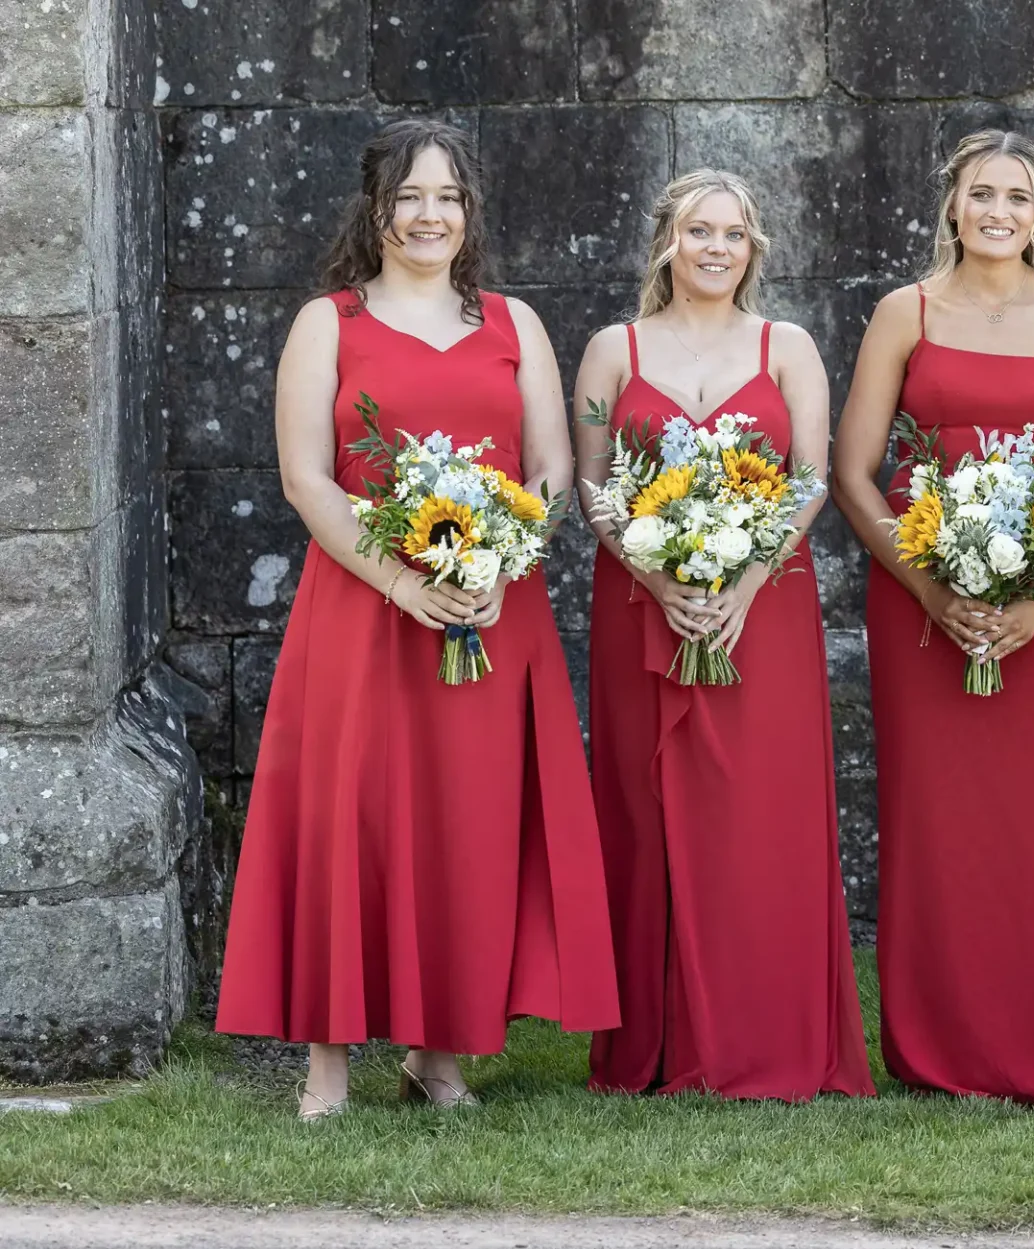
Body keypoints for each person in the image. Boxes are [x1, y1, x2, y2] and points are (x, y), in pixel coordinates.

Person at [215, 119, 620, 1119]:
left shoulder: (514, 323)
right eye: (410, 197)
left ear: (468, 213)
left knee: (468, 828)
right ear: (377, 210)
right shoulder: (329, 322)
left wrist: (501, 563)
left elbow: (552, 470)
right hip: (362, 613)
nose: (429, 214)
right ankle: (328, 1066)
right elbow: (307, 476)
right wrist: (401, 581)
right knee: (348, 819)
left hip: (492, 613)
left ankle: (439, 1057)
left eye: (447, 196)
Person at [829, 132, 1034, 1101]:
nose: (999, 211)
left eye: (1018, 196)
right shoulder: (903, 313)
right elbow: (852, 470)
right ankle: (939, 1050)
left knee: (1031, 823)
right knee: (935, 820)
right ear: (952, 208)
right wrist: (931, 586)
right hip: (921, 600)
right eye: (981, 194)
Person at [576, 170, 873, 1101]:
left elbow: (811, 479)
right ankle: (656, 1046)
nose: (715, 248)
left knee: (759, 813)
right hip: (639, 606)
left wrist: (740, 586)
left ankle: (766, 1037)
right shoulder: (610, 351)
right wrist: (662, 581)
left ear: (754, 249)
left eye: (734, 235)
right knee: (648, 807)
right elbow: (592, 489)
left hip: (765, 606)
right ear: (666, 240)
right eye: (698, 231)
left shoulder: (786, 347)